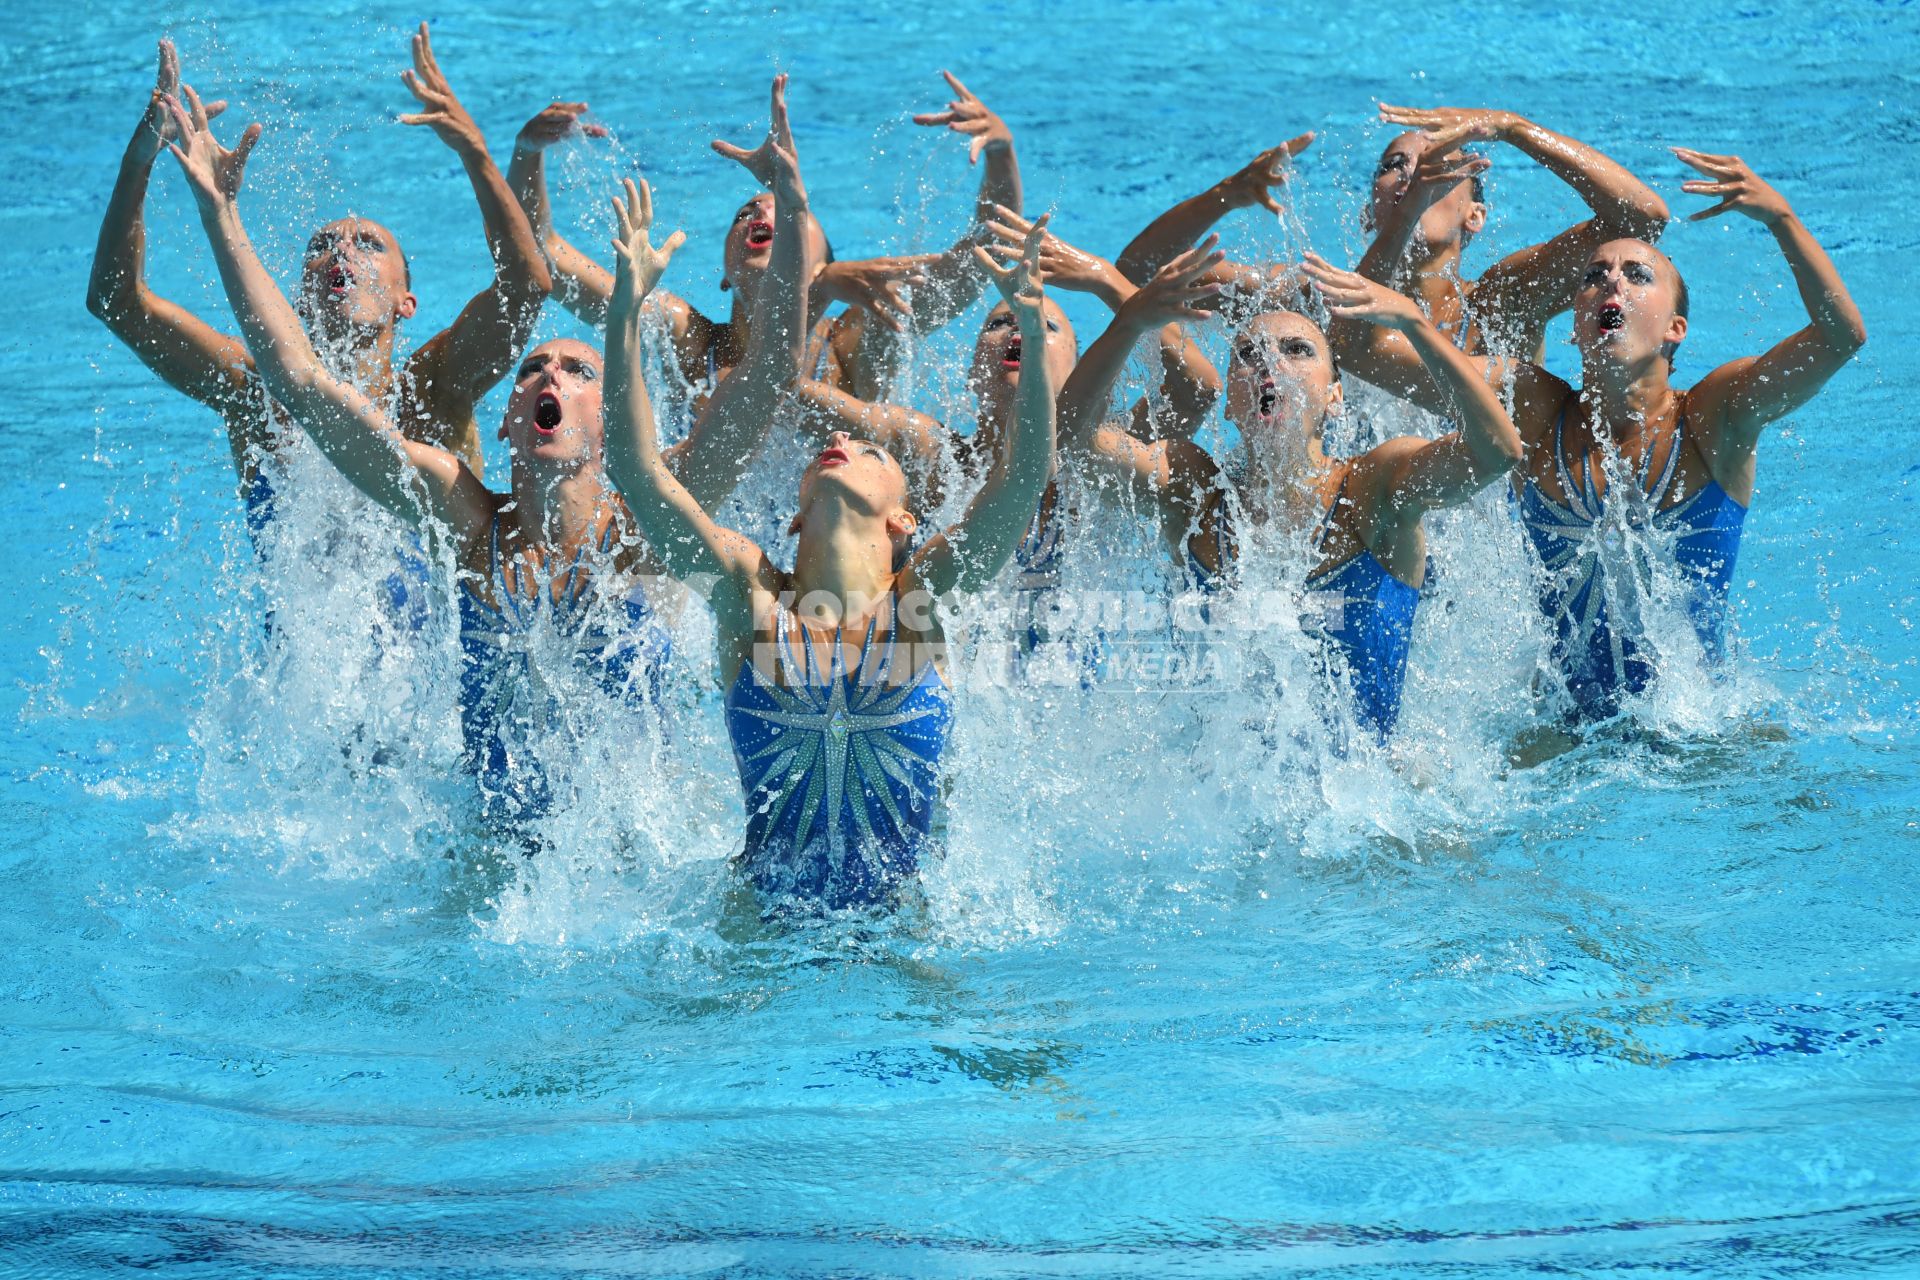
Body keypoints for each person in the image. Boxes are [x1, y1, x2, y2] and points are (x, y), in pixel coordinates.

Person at [156, 76, 807, 828]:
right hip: (493, 874)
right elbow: (302, 384)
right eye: (533, 368)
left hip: (641, 867)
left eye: (576, 369)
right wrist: (221, 212)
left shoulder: (651, 534)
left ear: (610, 419)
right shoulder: (468, 527)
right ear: (506, 423)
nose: (549, 375)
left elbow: (769, 383)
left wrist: (791, 211)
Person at [601, 91, 1058, 908]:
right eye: (835, 451)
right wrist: (624, 316)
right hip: (760, 933)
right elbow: (640, 479)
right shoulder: (749, 598)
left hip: (905, 927)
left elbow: (1021, 481)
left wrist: (1025, 309)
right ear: (794, 512)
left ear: (905, 517)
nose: (844, 443)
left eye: (874, 451)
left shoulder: (922, 602)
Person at [1308, 147, 1866, 720]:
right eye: (1594, 276)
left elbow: (1840, 338)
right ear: (1574, 323)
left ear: (1676, 329)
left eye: (1636, 275)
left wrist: (1783, 219)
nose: (1611, 284)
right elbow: (1356, 349)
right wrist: (1414, 318)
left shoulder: (1711, 420)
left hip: (1699, 732)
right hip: (1560, 733)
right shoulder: (1534, 409)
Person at [87, 28, 551, 541]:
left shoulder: (435, 386)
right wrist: (138, 163)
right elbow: (116, 303)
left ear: (406, 303)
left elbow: (527, 286)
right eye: (321, 245)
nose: (342, 250)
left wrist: (475, 151)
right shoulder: (255, 392)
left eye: (369, 244)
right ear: (296, 302)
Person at [1056, 247, 1523, 741]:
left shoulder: (1374, 485)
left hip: (1372, 805)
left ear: (1335, 397)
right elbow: (1073, 439)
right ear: (1231, 406)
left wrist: (1414, 324)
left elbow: (1496, 454)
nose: (1269, 364)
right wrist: (1127, 325)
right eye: (1248, 356)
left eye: (1297, 350)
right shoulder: (1193, 491)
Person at [505, 69, 1022, 410]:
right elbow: (542, 257)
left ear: (824, 263)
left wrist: (1000, 150)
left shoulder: (855, 342)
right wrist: (526, 152)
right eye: (745, 211)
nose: (759, 208)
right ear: (725, 278)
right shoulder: (686, 340)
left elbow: (986, 257)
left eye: (789, 216)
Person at [1327, 105, 1670, 398]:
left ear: (1474, 215)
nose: (1414, 174)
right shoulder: (1316, 296)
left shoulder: (1499, 305)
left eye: (1438, 163)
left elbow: (1642, 221)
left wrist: (1512, 127)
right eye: (1395, 165)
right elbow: (1351, 340)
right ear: (1368, 215)